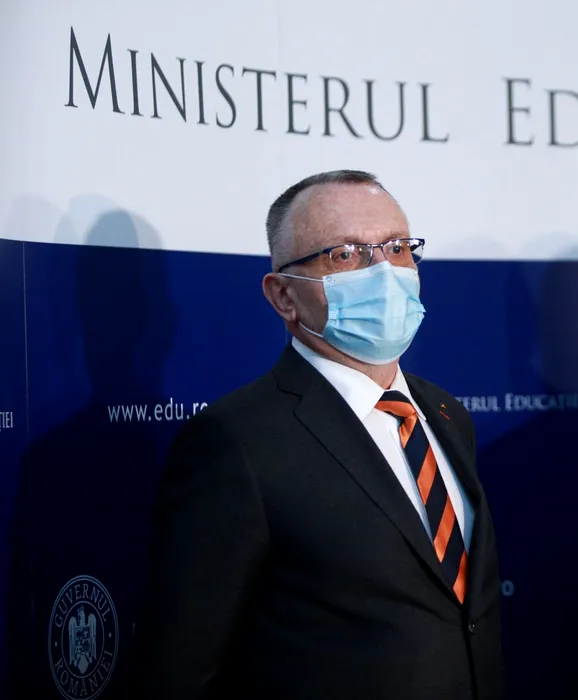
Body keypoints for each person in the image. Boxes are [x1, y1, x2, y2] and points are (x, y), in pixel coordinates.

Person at [134, 170, 504, 700]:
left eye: (397, 248)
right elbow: (179, 669)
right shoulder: (236, 443)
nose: (385, 272)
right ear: (284, 296)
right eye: (345, 255)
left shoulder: (446, 414)